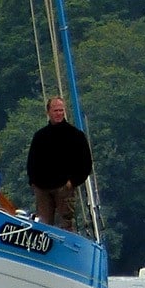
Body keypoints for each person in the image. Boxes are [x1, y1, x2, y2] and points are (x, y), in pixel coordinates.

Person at [26, 97, 93, 231]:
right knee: (43, 226)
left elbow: (86, 163)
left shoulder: (76, 135)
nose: (58, 113)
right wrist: (33, 182)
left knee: (66, 224)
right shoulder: (40, 136)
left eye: (61, 110)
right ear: (48, 112)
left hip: (64, 187)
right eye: (55, 110)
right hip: (42, 188)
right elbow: (31, 161)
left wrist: (72, 182)